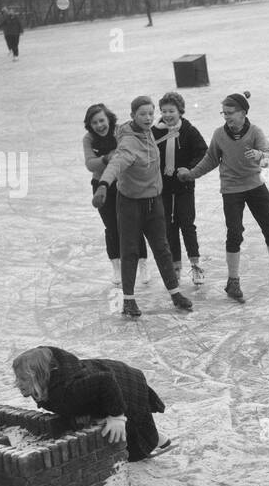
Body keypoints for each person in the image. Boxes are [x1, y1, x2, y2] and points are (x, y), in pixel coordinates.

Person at [178, 92, 269, 302]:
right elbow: (210, 160)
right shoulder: (219, 135)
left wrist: (260, 156)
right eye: (224, 113)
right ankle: (232, 281)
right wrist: (191, 174)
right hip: (232, 190)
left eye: (231, 113)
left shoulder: (255, 132)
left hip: (255, 186)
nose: (227, 117)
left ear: (243, 113)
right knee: (234, 233)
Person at [92, 96, 193, 319]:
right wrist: (102, 185)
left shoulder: (150, 131)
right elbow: (116, 164)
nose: (148, 118)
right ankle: (128, 300)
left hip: (154, 202)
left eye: (150, 113)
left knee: (162, 249)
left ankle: (175, 293)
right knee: (129, 251)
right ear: (133, 116)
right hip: (130, 204)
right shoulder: (128, 143)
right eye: (142, 114)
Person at [13, 345, 172, 460]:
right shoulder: (47, 387)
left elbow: (105, 381)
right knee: (109, 425)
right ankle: (154, 437)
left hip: (122, 383)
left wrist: (117, 416)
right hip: (102, 387)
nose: (17, 383)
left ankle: (157, 439)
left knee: (132, 436)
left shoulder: (68, 390)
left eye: (23, 379)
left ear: (40, 377)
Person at [83, 103, 148, 286]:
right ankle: (116, 267)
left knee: (133, 224)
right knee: (111, 226)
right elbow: (90, 164)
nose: (99, 125)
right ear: (90, 125)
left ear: (108, 119)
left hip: (124, 182)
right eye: (94, 122)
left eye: (102, 120)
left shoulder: (120, 131)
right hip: (100, 185)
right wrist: (106, 158)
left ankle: (142, 263)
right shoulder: (88, 139)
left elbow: (128, 154)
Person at [154, 92, 207, 285]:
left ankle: (195, 265)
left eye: (172, 111)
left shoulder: (188, 130)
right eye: (164, 111)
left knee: (187, 224)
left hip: (184, 186)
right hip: (163, 188)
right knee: (169, 227)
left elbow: (203, 152)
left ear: (180, 111)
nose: (168, 115)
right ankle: (175, 268)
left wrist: (190, 169)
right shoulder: (155, 131)